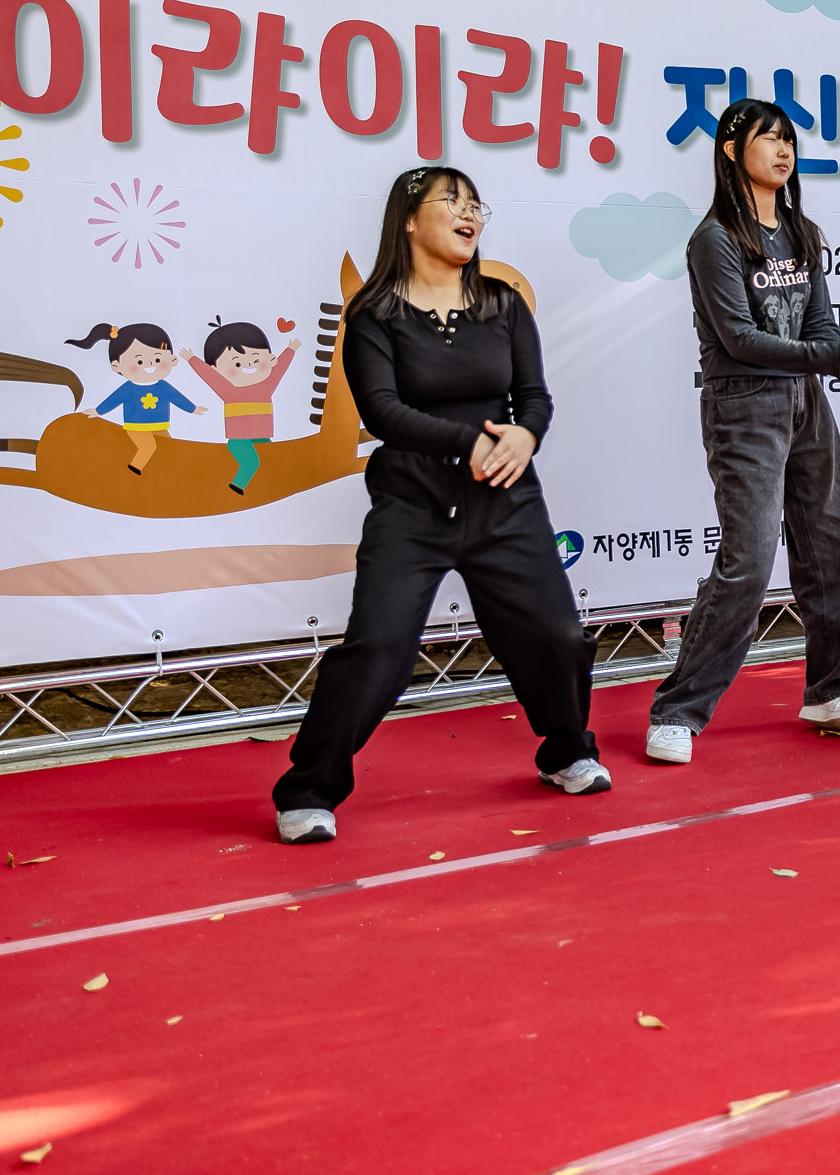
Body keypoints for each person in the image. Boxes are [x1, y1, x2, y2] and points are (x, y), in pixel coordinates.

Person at [273, 166, 606, 844]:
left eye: (476, 204)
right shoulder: (373, 312)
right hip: (413, 502)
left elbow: (534, 396)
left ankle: (567, 748)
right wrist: (471, 442)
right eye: (451, 201)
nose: (469, 214)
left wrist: (525, 433)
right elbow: (384, 412)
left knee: (556, 636)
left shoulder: (503, 302)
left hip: (506, 502)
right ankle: (308, 789)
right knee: (379, 648)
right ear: (408, 219)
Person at [645, 99, 840, 763]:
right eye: (768, 138)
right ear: (732, 150)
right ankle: (676, 709)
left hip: (805, 400)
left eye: (789, 139)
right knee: (750, 561)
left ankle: (830, 689)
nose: (784, 150)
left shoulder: (800, 230)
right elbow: (740, 339)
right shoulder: (715, 238)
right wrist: (837, 360)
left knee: (839, 545)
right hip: (744, 405)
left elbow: (821, 330)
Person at [68, 321, 204, 474]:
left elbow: (178, 398)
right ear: (117, 366)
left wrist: (193, 409)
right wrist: (98, 411)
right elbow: (113, 400)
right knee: (148, 447)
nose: (149, 365)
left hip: (159, 426)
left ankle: (166, 472)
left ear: (172, 360)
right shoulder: (128, 389)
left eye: (158, 359)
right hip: (136, 427)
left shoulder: (163, 387)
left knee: (169, 447)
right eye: (139, 361)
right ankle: (135, 468)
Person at [188, 320, 297, 494]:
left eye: (255, 359)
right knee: (251, 462)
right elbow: (209, 377)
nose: (248, 366)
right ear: (216, 369)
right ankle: (237, 485)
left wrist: (290, 351)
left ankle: (269, 488)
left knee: (272, 458)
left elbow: (279, 369)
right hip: (238, 440)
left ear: (270, 359)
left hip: (262, 438)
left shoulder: (266, 387)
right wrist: (192, 360)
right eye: (237, 363)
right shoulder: (228, 391)